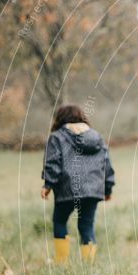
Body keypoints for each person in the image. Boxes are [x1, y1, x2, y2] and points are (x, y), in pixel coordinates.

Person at [41, 104, 114, 264]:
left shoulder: (57, 137)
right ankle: (88, 264)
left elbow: (53, 162)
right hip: (92, 189)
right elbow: (106, 164)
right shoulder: (96, 137)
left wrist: (47, 184)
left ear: (60, 119)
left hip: (67, 188)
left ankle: (61, 262)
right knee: (86, 225)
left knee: (59, 221)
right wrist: (107, 188)